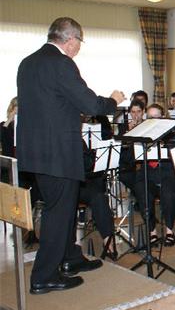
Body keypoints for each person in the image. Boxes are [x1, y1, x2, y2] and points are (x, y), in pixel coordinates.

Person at [16, 17, 125, 294]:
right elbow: (90, 103)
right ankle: (44, 276)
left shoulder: (28, 63)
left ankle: (69, 258)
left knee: (62, 208)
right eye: (80, 42)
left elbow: (50, 105)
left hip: (36, 153)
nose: (78, 48)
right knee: (57, 213)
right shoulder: (62, 63)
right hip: (58, 154)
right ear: (71, 39)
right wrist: (113, 100)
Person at [131, 104, 175, 247]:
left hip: (168, 174)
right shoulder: (141, 133)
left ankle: (169, 230)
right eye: (150, 117)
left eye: (156, 116)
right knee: (142, 190)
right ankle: (151, 230)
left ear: (163, 117)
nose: (153, 119)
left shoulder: (172, 134)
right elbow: (130, 159)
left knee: (168, 192)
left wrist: (166, 147)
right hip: (148, 175)